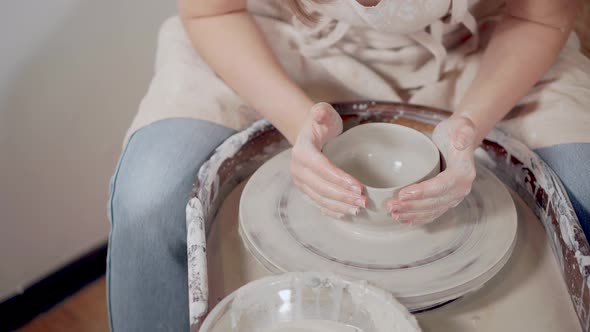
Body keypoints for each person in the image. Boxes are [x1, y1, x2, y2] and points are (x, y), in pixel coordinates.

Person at [107, 0, 590, 330]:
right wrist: (298, 120)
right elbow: (212, 9)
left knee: (583, 191)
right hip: (279, 36)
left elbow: (540, 17)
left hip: (477, 44)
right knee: (151, 199)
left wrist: (469, 126)